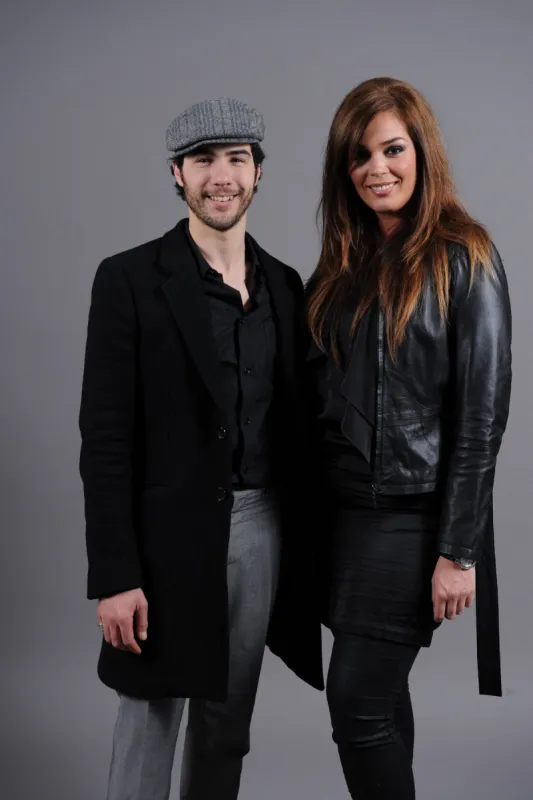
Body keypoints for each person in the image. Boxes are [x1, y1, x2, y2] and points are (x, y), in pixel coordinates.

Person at [79, 97, 323, 800]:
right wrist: (115, 573)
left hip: (261, 530)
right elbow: (106, 440)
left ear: (258, 174)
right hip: (162, 542)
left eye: (237, 159)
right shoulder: (126, 279)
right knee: (150, 717)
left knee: (226, 722)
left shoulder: (283, 285)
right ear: (177, 176)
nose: (222, 176)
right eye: (203, 160)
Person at [305, 77, 512, 799]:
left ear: (421, 152)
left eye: (392, 149)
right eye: (359, 157)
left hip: (411, 518)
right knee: (383, 701)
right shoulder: (341, 270)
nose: (376, 169)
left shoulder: (465, 255)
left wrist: (457, 548)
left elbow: (481, 417)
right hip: (343, 519)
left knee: (355, 703)